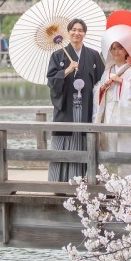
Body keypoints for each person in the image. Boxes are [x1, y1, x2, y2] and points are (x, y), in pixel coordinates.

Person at [46, 18, 105, 183]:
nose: (76, 33)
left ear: (84, 34)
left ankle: (86, 179)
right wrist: (67, 70)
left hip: (86, 107)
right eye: (73, 30)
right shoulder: (58, 55)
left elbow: (101, 81)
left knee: (84, 140)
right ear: (68, 32)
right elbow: (51, 81)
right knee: (66, 141)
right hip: (66, 107)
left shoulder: (93, 55)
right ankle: (61, 180)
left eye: (80, 30)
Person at [93, 30, 131, 176]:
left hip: (124, 114)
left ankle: (127, 178)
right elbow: (98, 89)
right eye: (113, 48)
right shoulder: (108, 70)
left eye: (119, 48)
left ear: (125, 50)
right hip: (109, 112)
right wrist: (102, 88)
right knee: (109, 143)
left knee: (124, 143)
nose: (116, 51)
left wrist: (122, 82)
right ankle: (110, 179)